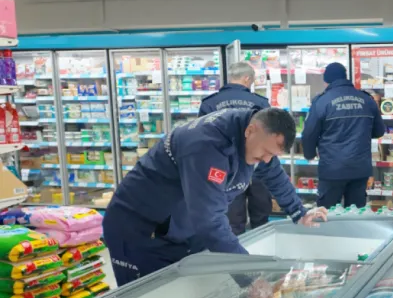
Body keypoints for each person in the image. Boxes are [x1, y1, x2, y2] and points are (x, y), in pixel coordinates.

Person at [103, 108, 327, 286]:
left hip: (179, 229)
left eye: (273, 155)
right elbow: (209, 220)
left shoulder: (255, 139)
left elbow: (273, 174)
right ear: (251, 130)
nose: (267, 160)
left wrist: (299, 212)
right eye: (266, 153)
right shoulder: (206, 146)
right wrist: (250, 276)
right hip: (140, 229)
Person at [200, 62, 272, 235]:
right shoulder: (260, 103)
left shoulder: (209, 104)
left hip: (225, 170)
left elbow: (203, 141)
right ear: (247, 79)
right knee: (261, 218)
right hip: (257, 167)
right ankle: (261, 254)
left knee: (232, 221)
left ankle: (235, 256)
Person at [301, 62, 385, 208]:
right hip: (360, 169)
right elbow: (379, 131)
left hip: (332, 169)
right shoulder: (367, 100)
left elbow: (309, 133)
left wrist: (309, 154)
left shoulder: (322, 101)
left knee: (327, 215)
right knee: (355, 217)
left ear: (327, 79)